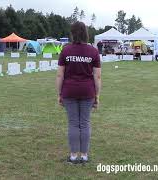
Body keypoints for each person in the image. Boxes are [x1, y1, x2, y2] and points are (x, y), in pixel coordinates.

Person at [56, 21, 101, 164]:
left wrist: (59, 94)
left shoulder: (66, 50)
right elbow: (97, 76)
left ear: (72, 33)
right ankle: (85, 155)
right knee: (85, 123)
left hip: (69, 91)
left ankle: (74, 156)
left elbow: (59, 75)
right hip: (88, 91)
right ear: (86, 33)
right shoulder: (93, 51)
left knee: (74, 124)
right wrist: (97, 95)